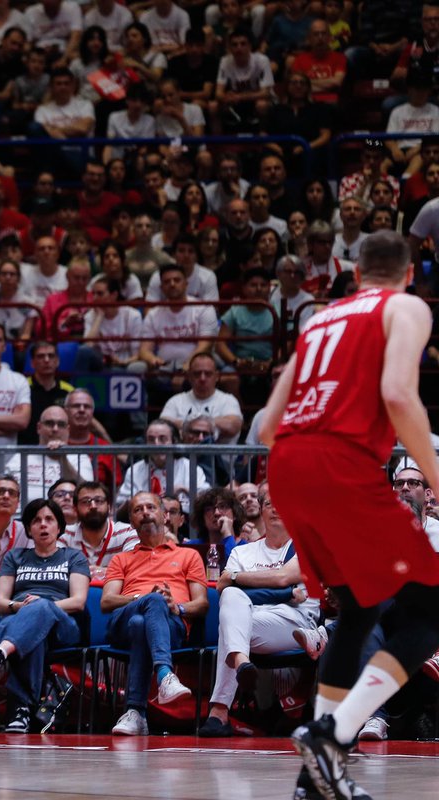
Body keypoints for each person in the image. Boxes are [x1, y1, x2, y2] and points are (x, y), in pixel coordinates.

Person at [260, 231, 439, 799]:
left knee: (360, 610)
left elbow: (266, 424)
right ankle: (332, 735)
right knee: (431, 611)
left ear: (356, 273)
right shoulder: (405, 306)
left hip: (286, 465)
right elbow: (398, 393)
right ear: (408, 275)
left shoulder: (319, 320)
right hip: (342, 461)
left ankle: (312, 784)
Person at [199, 488, 318, 737]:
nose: (276, 509)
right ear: (261, 511)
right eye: (269, 504)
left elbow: (284, 577)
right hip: (251, 622)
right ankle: (240, 667)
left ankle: (219, 711)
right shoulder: (242, 552)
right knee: (231, 602)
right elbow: (224, 591)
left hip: (295, 623)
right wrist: (280, 589)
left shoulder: (307, 546)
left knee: (230, 622)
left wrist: (236, 578)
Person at [0, 498, 90, 733]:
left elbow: (78, 602)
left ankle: (1, 653)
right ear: (29, 528)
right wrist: (23, 608)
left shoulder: (74, 557)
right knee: (31, 636)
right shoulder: (15, 557)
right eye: (36, 521)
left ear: (59, 527)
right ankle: (22, 712)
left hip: (63, 625)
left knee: (39, 607)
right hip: (23, 623)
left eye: (49, 520)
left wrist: (42, 606)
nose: (43, 525)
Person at [103, 492, 209, 735]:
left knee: (143, 624)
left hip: (170, 625)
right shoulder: (121, 558)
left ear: (165, 515)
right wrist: (142, 599)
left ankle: (135, 713)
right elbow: (107, 601)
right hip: (122, 623)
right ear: (131, 521)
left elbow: (202, 604)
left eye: (151, 507)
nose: (145, 512)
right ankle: (164, 673)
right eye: (138, 510)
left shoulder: (188, 555)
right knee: (149, 605)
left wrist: (177, 607)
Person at [116, 418, 209, 512]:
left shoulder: (190, 468)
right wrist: (137, 500)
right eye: (151, 439)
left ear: (174, 441)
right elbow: (119, 508)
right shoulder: (135, 470)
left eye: (163, 439)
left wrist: (183, 490)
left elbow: (207, 501)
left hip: (183, 523)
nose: (156, 444)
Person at [59, 481, 139, 581]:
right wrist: (107, 572)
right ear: (75, 509)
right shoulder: (64, 535)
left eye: (99, 501)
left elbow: (133, 570)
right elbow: (58, 573)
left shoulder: (127, 533)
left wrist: (95, 572)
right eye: (85, 501)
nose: (93, 506)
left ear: (109, 507)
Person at [158, 352, 243, 444]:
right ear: (189, 376)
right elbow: (162, 426)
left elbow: (233, 427)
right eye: (197, 374)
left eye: (208, 374)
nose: (202, 378)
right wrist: (213, 423)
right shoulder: (175, 401)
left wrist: (189, 425)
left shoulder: (228, 400)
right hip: (182, 457)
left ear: (217, 376)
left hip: (220, 458)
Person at [20, 341, 74, 446]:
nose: (46, 360)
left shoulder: (69, 391)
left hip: (59, 450)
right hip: (25, 451)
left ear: (57, 361)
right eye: (41, 356)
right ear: (32, 363)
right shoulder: (22, 387)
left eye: (51, 356)